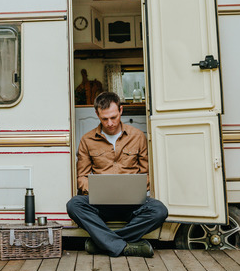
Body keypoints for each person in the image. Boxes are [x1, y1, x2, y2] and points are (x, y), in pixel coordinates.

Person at [66, 91, 168, 257]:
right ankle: (123, 245)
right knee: (74, 205)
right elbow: (82, 177)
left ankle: (103, 243)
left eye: (113, 117)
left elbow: (146, 173)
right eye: (104, 119)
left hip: (132, 204)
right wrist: (95, 191)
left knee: (159, 210)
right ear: (97, 114)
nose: (110, 123)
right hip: (101, 204)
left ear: (121, 110)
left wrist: (139, 188)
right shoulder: (87, 140)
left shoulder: (137, 136)